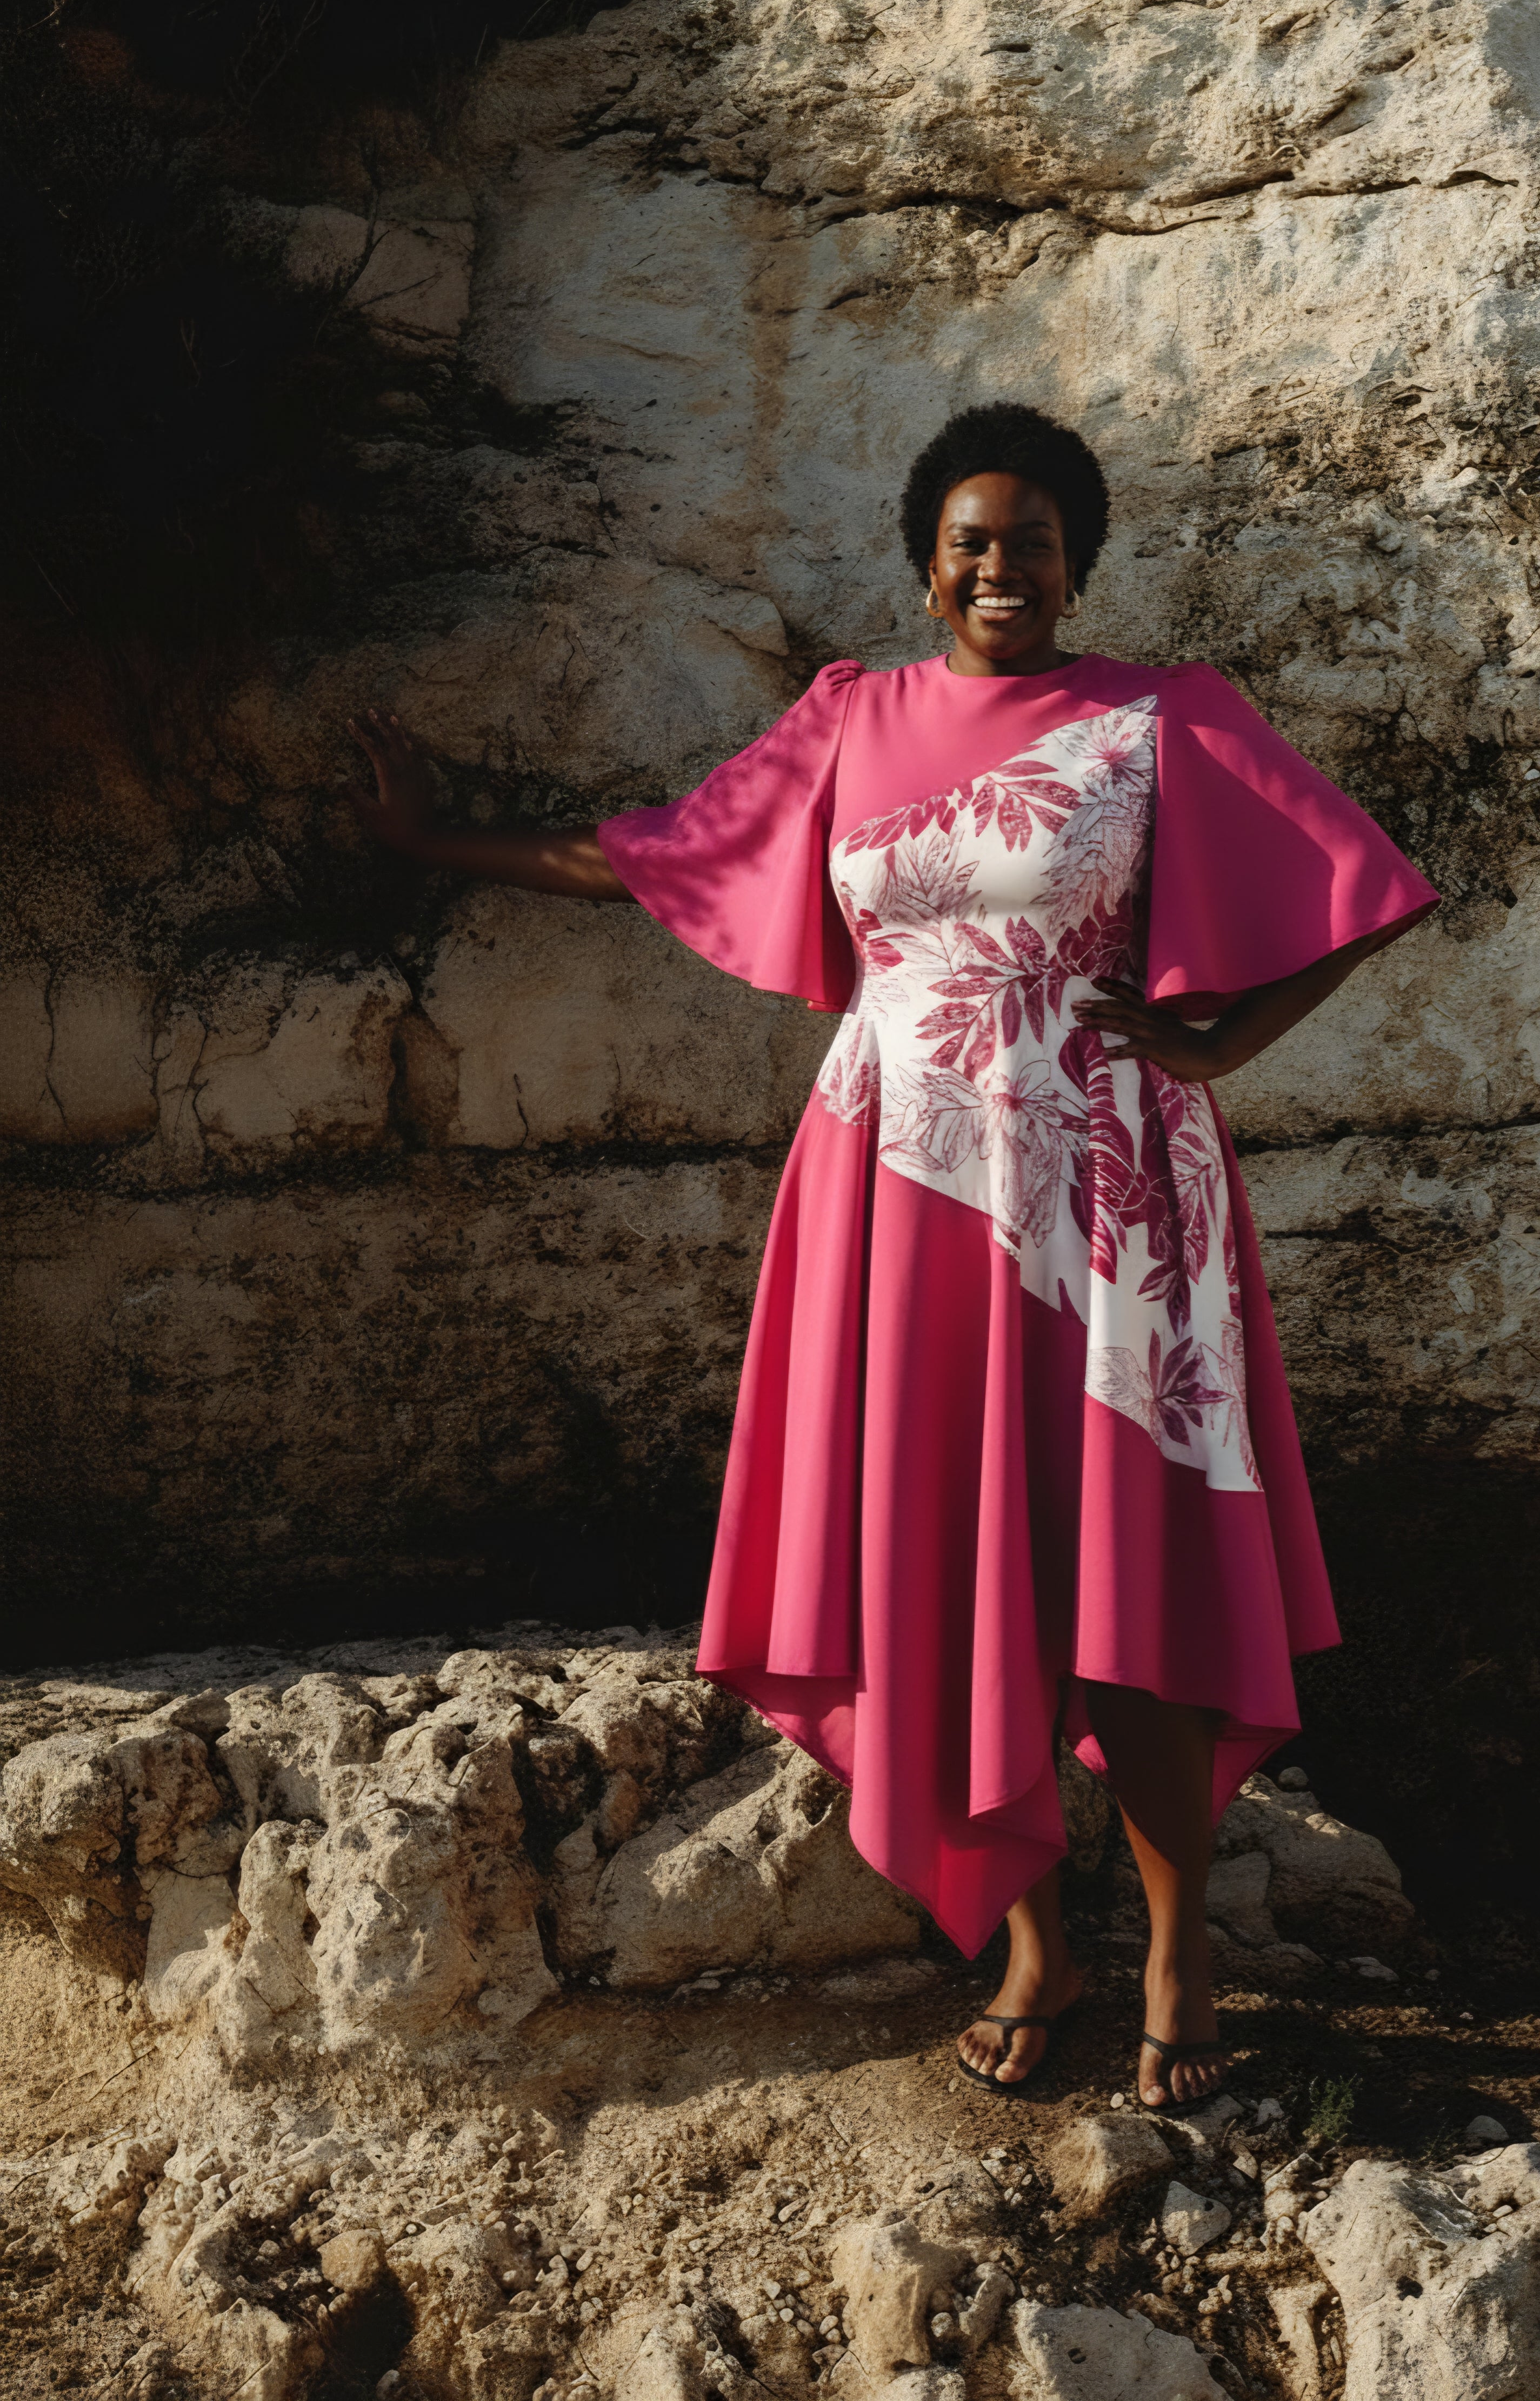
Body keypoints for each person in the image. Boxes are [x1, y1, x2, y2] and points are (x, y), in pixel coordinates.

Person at [349, 401, 1437, 2108]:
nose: (1006, 566)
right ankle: (1029, 1946)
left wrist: (1222, 1051)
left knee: (1126, 1570)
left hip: (1105, 1189)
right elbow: (656, 853)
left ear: (1082, 563)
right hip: (890, 1180)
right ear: (928, 559)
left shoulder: (1162, 718)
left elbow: (1366, 885)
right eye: (975, 539)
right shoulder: (853, 719)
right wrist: (433, 845)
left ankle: (1173, 1952)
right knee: (937, 1550)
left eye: (1039, 541)